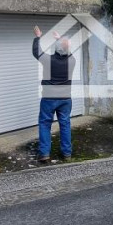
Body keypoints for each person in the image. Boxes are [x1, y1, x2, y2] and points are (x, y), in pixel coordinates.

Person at [33, 25, 76, 163]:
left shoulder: (48, 60)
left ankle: (45, 153)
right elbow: (68, 51)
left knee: (45, 124)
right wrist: (61, 40)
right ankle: (66, 154)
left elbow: (36, 52)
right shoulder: (72, 61)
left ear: (55, 48)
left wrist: (38, 37)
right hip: (65, 99)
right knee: (65, 124)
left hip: (49, 99)